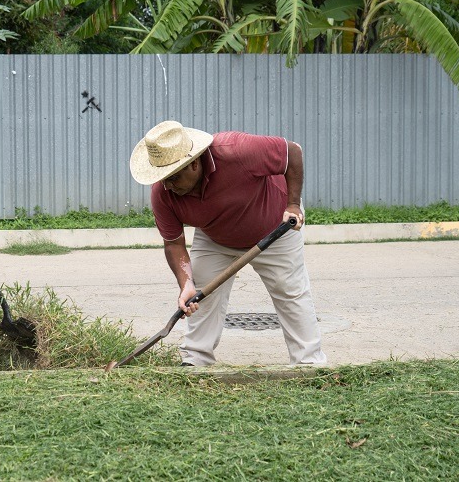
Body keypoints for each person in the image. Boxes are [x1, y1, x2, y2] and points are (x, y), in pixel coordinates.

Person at [129, 120, 326, 366]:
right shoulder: (164, 193)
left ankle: (309, 363)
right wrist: (186, 284)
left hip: (275, 227)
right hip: (215, 238)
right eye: (163, 178)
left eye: (173, 177)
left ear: (193, 163)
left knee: (290, 292)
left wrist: (293, 204)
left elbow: (292, 152)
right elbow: (173, 244)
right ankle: (195, 360)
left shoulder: (236, 150)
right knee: (201, 294)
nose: (167, 185)